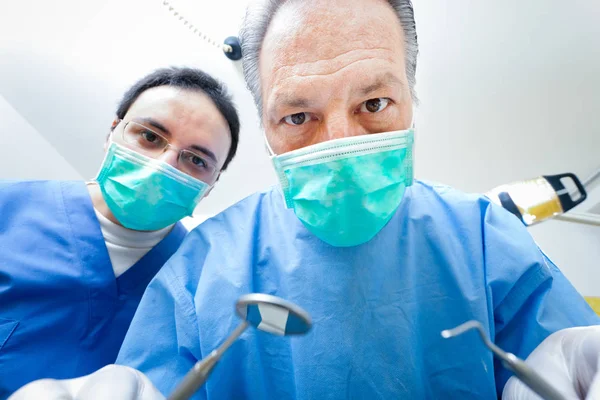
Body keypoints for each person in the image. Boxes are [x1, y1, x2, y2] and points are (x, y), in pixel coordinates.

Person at [9, 0, 600, 399]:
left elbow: (555, 359)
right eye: (298, 116)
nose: (339, 145)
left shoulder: (483, 236)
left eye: (373, 105)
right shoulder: (201, 265)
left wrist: (569, 366)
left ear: (411, 102)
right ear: (266, 131)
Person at [0, 66, 240, 397]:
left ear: (211, 186)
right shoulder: (8, 208)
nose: (165, 164)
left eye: (196, 160)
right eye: (151, 137)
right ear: (112, 132)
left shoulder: (197, 279)